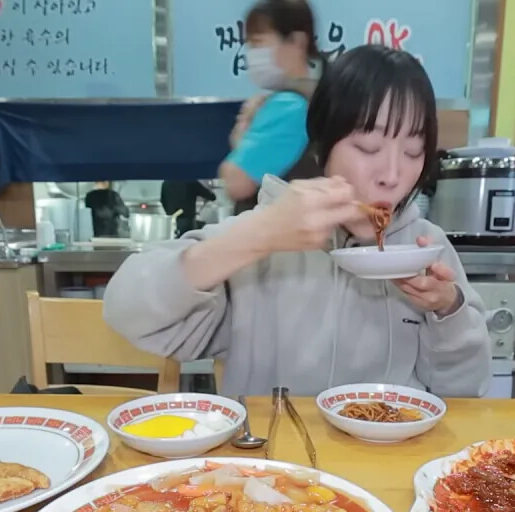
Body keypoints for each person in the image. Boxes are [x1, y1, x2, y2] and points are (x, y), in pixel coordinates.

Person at [104, 45, 494, 398]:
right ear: (322, 146)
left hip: (393, 450)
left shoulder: (425, 246)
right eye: (368, 147)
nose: (392, 176)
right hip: (272, 450)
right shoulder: (266, 233)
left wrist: (448, 309)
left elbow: (466, 390)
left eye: (412, 151)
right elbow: (127, 312)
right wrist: (260, 236)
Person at [220, 0, 320, 211]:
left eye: (259, 43)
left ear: (297, 42)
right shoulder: (315, 95)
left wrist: (242, 130)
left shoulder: (289, 106)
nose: (252, 54)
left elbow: (236, 182)